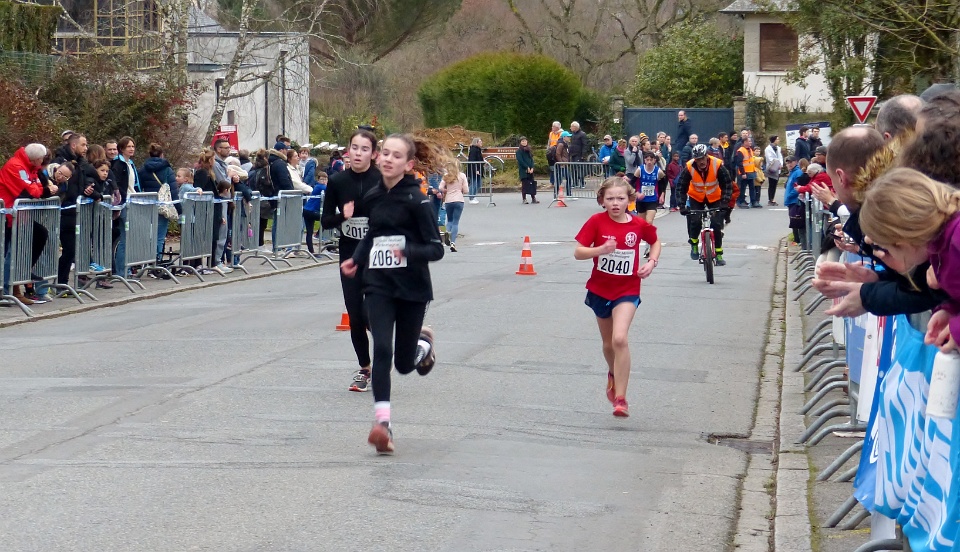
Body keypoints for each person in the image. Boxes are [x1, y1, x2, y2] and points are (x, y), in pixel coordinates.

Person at [339, 133, 446, 455]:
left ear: (409, 165)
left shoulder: (418, 200)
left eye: (396, 156)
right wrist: (356, 260)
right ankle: (382, 425)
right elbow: (373, 234)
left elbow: (436, 249)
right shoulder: (373, 196)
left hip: (412, 288)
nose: (388, 159)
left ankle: (423, 345)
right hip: (379, 285)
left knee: (403, 364)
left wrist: (406, 251)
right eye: (385, 153)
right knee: (382, 349)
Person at [574, 176, 660, 418]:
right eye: (610, 198)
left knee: (620, 339)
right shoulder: (596, 221)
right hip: (600, 289)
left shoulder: (638, 225)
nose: (615, 203)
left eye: (620, 198)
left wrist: (651, 262)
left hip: (627, 289)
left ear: (629, 200)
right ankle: (613, 373)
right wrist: (600, 250)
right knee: (608, 344)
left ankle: (621, 399)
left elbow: (655, 242)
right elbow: (578, 252)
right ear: (602, 200)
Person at [855, 168, 960, 351]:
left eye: (887, 248)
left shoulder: (955, 241)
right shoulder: (940, 247)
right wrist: (950, 310)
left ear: (902, 243)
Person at [321, 129, 381, 393]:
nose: (358, 153)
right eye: (354, 148)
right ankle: (365, 369)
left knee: (371, 312)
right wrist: (342, 217)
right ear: (348, 150)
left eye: (364, 149)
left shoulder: (382, 179)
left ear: (373, 154)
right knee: (355, 315)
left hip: (378, 254)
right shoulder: (337, 181)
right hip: (349, 255)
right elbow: (325, 221)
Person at [1, 143, 58, 303]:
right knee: (8, 253)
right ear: (36, 158)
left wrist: (45, 189)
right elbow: (28, 191)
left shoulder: (30, 167)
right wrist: (46, 190)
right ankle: (7, 289)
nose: (42, 163)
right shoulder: (16, 166)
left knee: (38, 235)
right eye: (41, 159)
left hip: (19, 215)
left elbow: (37, 186)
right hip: (8, 214)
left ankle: (21, 276)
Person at [677, 144, 733, 266]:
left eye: (702, 158)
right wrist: (681, 205)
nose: (701, 162)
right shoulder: (689, 167)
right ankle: (694, 243)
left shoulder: (717, 165)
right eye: (698, 160)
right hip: (696, 197)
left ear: (707, 156)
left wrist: (724, 202)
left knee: (716, 224)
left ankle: (718, 254)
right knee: (695, 221)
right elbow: (681, 187)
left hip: (714, 197)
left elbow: (727, 184)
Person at [139, 143, 179, 264]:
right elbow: (174, 191)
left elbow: (139, 188)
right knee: (160, 236)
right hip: (162, 206)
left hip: (147, 206)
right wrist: (179, 209)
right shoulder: (167, 170)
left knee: (147, 234)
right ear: (162, 154)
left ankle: (146, 259)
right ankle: (156, 261)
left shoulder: (142, 170)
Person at [439, 161, 468, 252]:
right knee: (455, 222)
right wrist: (460, 189)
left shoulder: (446, 176)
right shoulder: (462, 176)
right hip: (459, 200)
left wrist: (446, 190)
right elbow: (466, 190)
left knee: (450, 220)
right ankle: (453, 243)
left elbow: (440, 187)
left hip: (448, 200)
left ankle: (447, 232)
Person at [735, 136, 760, 208]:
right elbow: (739, 163)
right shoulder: (741, 151)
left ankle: (753, 201)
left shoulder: (750, 150)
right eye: (749, 141)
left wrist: (754, 170)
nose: (750, 142)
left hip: (751, 171)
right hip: (745, 173)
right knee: (742, 188)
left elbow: (751, 161)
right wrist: (743, 173)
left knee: (752, 188)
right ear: (745, 142)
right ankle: (741, 201)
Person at [516, 136, 538, 204]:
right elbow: (520, 161)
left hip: (530, 170)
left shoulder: (529, 150)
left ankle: (533, 198)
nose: (524, 142)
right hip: (523, 170)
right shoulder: (519, 151)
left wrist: (532, 167)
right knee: (525, 184)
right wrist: (527, 167)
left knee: (532, 184)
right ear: (520, 142)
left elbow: (531, 159)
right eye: (522, 141)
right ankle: (524, 199)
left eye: (525, 141)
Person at [764, 135, 783, 206]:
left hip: (778, 168)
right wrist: (777, 164)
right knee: (771, 184)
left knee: (775, 184)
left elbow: (780, 157)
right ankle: (770, 199)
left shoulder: (778, 148)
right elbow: (770, 159)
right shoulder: (768, 149)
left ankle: (772, 198)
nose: (778, 140)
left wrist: (780, 164)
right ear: (774, 140)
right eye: (777, 139)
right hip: (772, 168)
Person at [466, 137, 484, 204]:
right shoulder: (473, 150)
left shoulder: (478, 150)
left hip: (478, 169)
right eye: (480, 141)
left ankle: (473, 196)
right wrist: (475, 169)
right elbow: (472, 161)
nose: (481, 143)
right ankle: (471, 197)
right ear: (476, 142)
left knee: (478, 183)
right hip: (474, 170)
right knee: (474, 183)